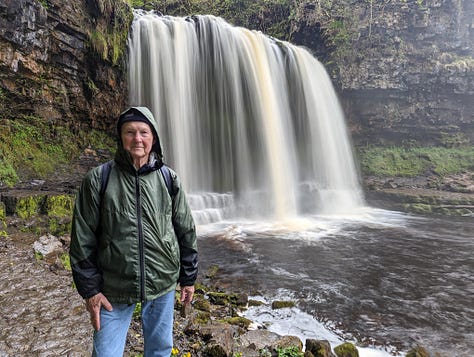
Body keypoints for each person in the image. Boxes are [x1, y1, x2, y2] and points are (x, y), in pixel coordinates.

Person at [69, 106, 198, 357]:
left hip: (161, 281)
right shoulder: (99, 179)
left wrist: (188, 277)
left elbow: (185, 229)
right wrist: (90, 291)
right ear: (121, 137)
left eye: (143, 132)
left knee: (160, 350)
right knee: (105, 353)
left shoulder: (168, 179)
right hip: (113, 286)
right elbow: (82, 238)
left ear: (153, 138)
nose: (137, 138)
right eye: (130, 132)